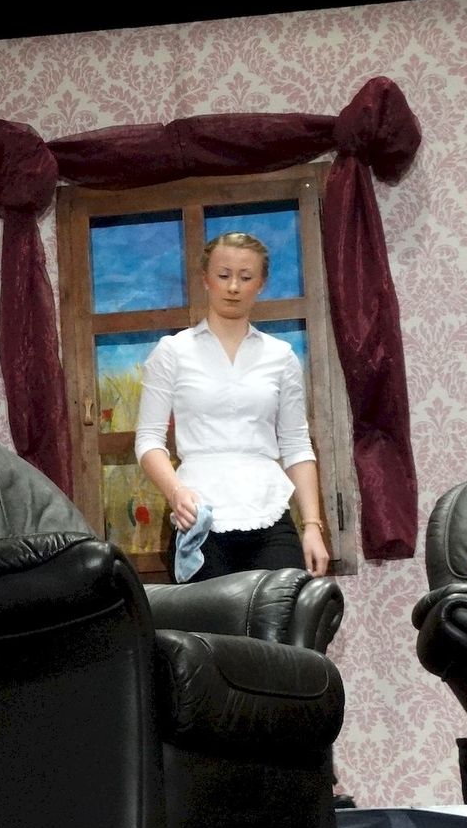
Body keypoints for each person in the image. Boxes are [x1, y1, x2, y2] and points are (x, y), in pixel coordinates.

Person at [134, 231, 329, 582]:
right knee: (208, 618)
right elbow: (148, 440)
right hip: (199, 515)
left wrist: (312, 526)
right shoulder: (172, 351)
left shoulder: (281, 356)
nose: (234, 287)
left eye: (246, 277)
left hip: (269, 511)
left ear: (261, 284)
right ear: (206, 279)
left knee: (286, 611)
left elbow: (297, 445)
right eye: (224, 275)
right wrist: (175, 491)